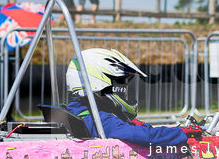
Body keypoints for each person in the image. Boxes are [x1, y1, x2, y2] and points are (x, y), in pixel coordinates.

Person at [63, 48, 199, 147]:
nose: (124, 91)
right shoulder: (101, 120)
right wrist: (180, 132)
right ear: (98, 82)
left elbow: (128, 128)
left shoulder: (77, 111)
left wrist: (134, 124)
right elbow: (145, 136)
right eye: (121, 84)